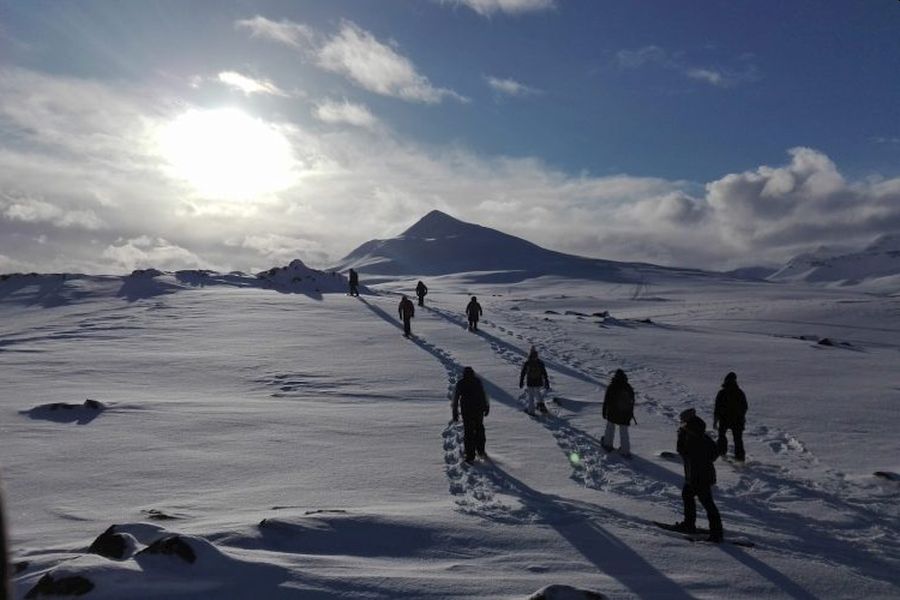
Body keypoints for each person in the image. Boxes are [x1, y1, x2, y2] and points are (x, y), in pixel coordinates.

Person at [671, 408, 723, 542]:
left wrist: (681, 435)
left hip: (697, 476)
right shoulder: (702, 434)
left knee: (707, 503)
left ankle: (716, 533)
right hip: (702, 474)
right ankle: (690, 524)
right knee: (688, 496)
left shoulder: (689, 435)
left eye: (682, 422)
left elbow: (682, 451)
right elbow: (714, 453)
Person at [452, 366, 490, 463]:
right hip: (478, 410)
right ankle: (481, 450)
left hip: (467, 410)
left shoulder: (461, 383)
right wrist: (487, 406)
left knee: (469, 432)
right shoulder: (477, 381)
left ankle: (470, 455)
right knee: (479, 428)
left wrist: (455, 412)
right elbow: (484, 394)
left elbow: (456, 398)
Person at [600, 369, 636, 457]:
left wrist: (604, 412)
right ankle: (625, 450)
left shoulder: (612, 386)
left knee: (610, 428)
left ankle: (608, 444)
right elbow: (632, 402)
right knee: (624, 432)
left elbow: (606, 401)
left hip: (613, 412)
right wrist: (631, 414)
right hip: (625, 414)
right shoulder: (628, 387)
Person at [714, 371, 748, 462]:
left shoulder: (722, 392)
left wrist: (715, 420)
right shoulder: (739, 392)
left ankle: (721, 453)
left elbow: (717, 408)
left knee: (722, 436)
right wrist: (741, 416)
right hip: (737, 420)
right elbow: (745, 407)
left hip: (724, 419)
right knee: (738, 439)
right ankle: (740, 457)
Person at [519, 346, 550, 414]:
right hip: (539, 381)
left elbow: (523, 372)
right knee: (538, 393)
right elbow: (544, 373)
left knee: (531, 397)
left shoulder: (527, 362)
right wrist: (546, 381)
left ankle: (531, 411)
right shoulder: (540, 362)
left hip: (530, 382)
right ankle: (541, 406)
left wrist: (521, 381)